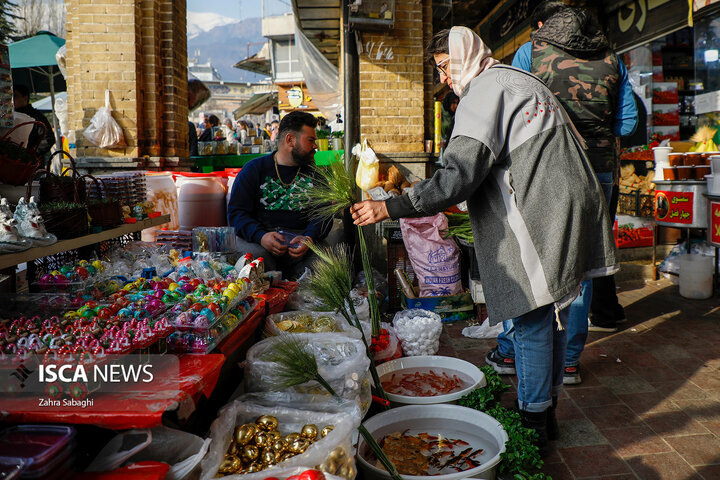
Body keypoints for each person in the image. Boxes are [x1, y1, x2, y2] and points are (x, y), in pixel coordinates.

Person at [350, 26, 617, 455]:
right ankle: (544, 416)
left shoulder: (483, 92)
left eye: (445, 66)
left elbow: (457, 175)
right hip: (574, 200)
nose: (444, 78)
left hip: (542, 208)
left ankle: (532, 427)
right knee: (548, 314)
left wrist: (391, 206)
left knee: (529, 313)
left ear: (463, 55)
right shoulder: (516, 78)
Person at [486, 2, 638, 386]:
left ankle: (510, 350)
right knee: (582, 265)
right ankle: (569, 361)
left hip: (543, 166)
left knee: (527, 253)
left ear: (542, 24)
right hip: (599, 169)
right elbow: (630, 120)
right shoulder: (611, 58)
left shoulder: (530, 52)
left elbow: (511, 108)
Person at [227, 111, 331, 280]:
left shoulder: (315, 175)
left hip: (303, 243)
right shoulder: (254, 170)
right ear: (290, 140)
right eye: (310, 140)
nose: (315, 146)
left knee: (327, 263)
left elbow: (324, 214)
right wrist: (261, 236)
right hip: (261, 242)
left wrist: (309, 237)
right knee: (252, 261)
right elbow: (236, 213)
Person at [12, 85, 55, 159]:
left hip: (30, 164)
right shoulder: (10, 116)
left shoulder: (36, 117)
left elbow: (48, 139)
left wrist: (32, 153)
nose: (12, 100)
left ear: (25, 98)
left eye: (15, 96)